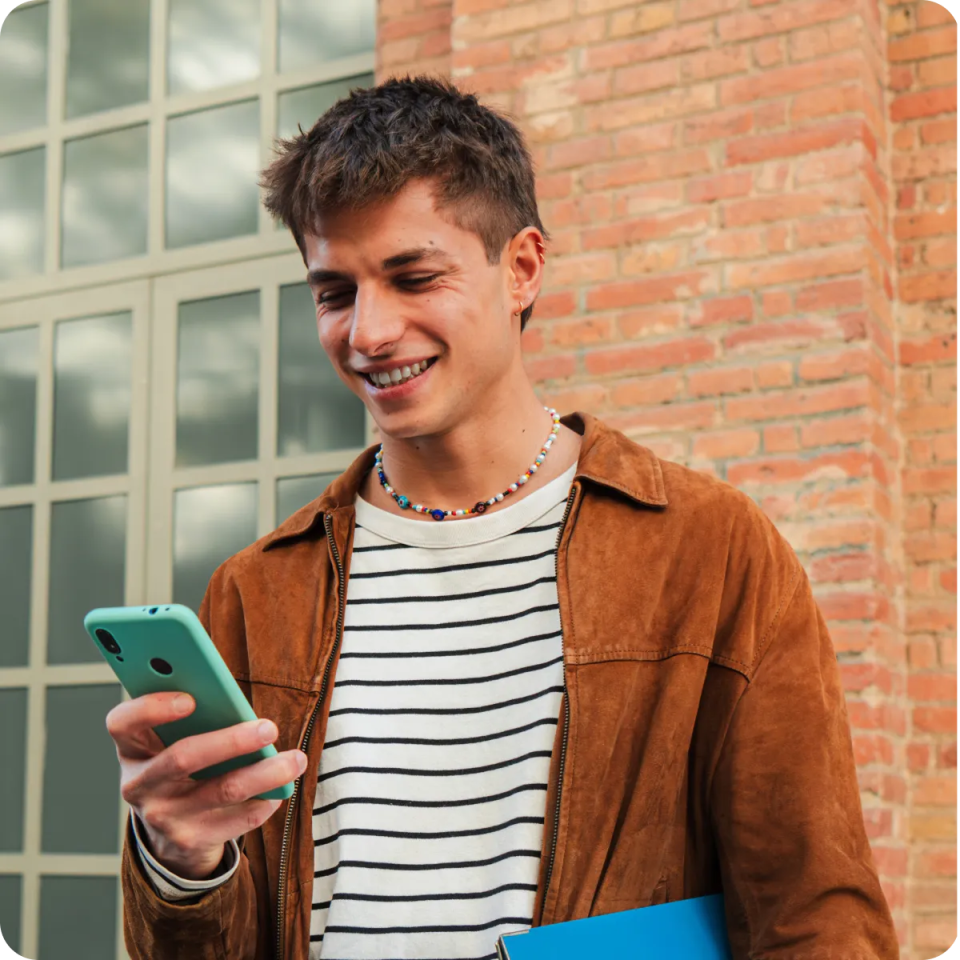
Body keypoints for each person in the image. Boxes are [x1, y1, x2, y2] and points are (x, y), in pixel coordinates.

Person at [107, 76, 899, 960]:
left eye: (413, 276)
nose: (368, 332)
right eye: (334, 292)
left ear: (522, 267)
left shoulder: (710, 553)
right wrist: (182, 860)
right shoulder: (257, 592)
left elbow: (814, 918)